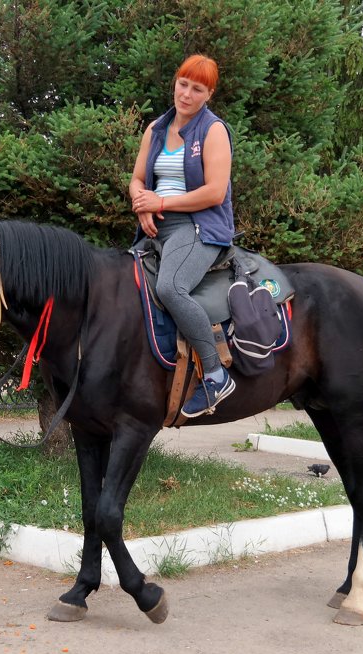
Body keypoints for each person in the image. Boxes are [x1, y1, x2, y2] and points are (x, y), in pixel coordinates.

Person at [130, 54, 236, 417]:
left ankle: (216, 374)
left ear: (209, 94)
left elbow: (215, 192)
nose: (186, 94)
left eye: (197, 89)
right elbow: (137, 179)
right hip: (157, 226)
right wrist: (142, 204)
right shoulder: (156, 128)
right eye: (183, 84)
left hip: (200, 226)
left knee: (170, 288)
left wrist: (162, 200)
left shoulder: (213, 130)